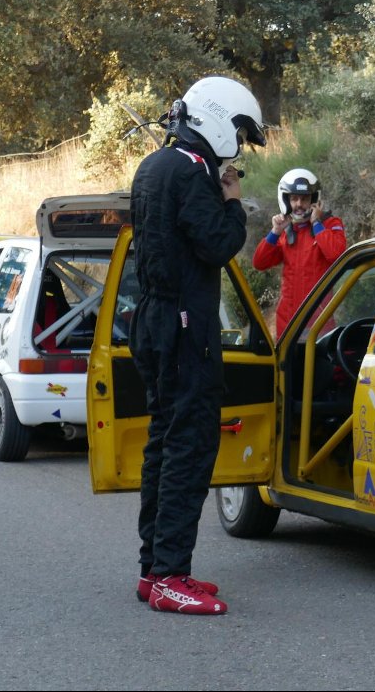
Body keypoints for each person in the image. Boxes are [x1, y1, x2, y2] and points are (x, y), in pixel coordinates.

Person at [129, 75, 266, 614]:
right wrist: (233, 203)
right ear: (216, 119)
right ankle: (169, 575)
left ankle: (153, 570)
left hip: (155, 320)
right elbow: (218, 244)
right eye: (237, 128)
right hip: (187, 328)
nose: (237, 140)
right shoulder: (191, 174)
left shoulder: (154, 165)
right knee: (189, 448)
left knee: (162, 446)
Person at [252, 168, 347, 337]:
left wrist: (317, 223)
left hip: (319, 323)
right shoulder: (285, 231)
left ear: (314, 199)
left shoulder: (331, 224)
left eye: (304, 199)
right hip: (287, 325)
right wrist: (274, 232)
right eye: (294, 198)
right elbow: (259, 263)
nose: (299, 204)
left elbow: (336, 255)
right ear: (286, 200)